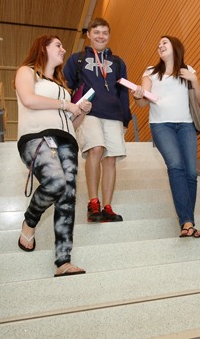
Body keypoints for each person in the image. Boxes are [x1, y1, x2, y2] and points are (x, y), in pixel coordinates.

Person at [15, 35, 92, 277]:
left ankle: (63, 261)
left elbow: (71, 122)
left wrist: (80, 111)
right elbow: (28, 99)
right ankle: (30, 221)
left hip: (67, 141)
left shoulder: (62, 86)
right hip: (36, 137)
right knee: (56, 182)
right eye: (58, 45)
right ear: (43, 48)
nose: (64, 49)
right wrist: (66, 105)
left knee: (67, 198)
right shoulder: (27, 72)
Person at [132, 36, 200, 238]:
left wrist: (194, 80)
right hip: (161, 125)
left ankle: (188, 221)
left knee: (190, 172)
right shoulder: (151, 72)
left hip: (187, 125)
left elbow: (199, 100)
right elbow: (142, 104)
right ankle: (187, 222)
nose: (160, 46)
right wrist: (138, 95)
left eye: (164, 42)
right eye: (158, 45)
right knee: (175, 166)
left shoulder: (188, 70)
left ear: (175, 46)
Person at [64, 17, 131, 223]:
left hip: (113, 115)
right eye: (96, 32)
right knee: (96, 149)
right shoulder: (77, 59)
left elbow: (123, 92)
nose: (101, 36)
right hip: (89, 113)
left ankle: (108, 207)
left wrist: (125, 119)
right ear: (89, 35)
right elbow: (66, 86)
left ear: (109, 36)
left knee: (110, 159)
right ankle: (94, 202)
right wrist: (70, 110)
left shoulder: (118, 62)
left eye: (104, 33)